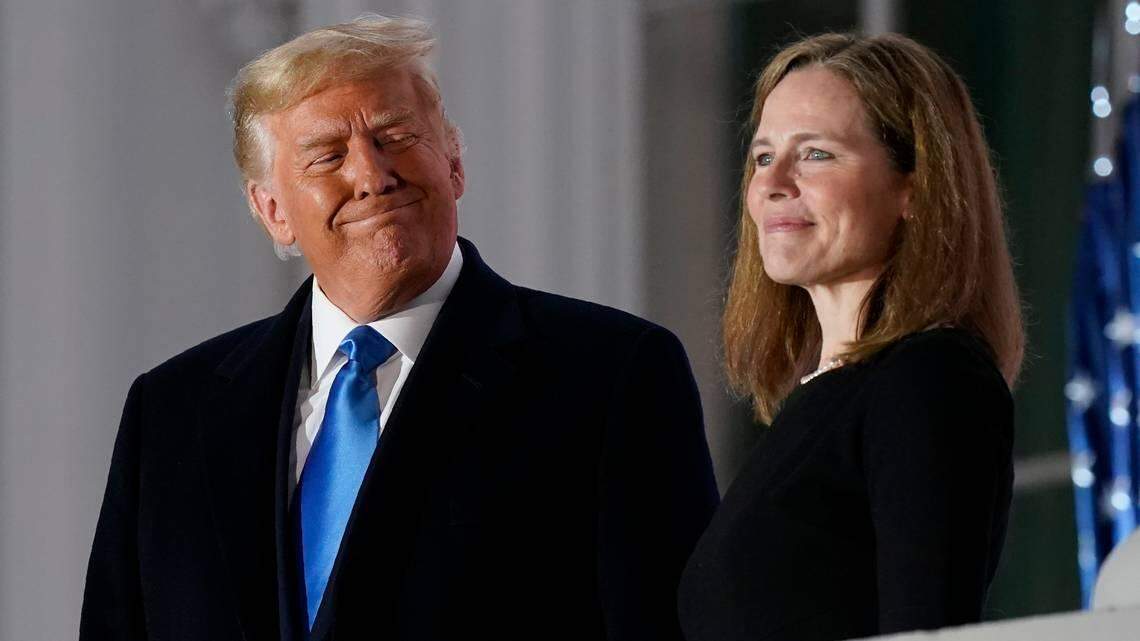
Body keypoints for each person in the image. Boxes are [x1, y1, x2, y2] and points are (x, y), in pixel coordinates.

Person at [79, 15, 718, 641]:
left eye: (396, 136)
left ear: (454, 161)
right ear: (272, 210)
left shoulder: (610, 375)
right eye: (327, 156)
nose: (371, 176)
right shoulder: (170, 411)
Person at [677, 32, 1023, 641]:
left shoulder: (929, 380)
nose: (773, 183)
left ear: (914, 186)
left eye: (815, 154)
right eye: (762, 157)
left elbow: (925, 626)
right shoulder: (820, 399)